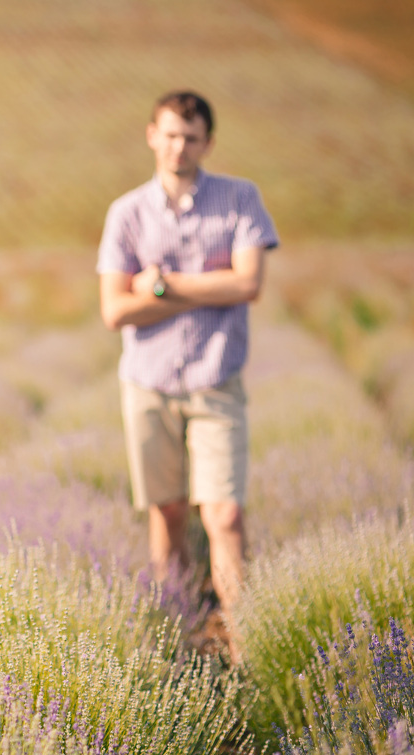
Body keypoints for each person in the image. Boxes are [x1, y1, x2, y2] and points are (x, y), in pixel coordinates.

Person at [96, 90, 278, 655]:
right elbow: (114, 310)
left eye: (191, 137)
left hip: (214, 378)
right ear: (152, 134)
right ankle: (172, 636)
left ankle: (242, 640)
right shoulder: (127, 212)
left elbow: (248, 284)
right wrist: (208, 288)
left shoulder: (240, 199)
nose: (179, 146)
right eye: (170, 134)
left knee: (223, 511)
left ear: (208, 142)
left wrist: (161, 284)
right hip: (148, 380)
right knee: (167, 510)